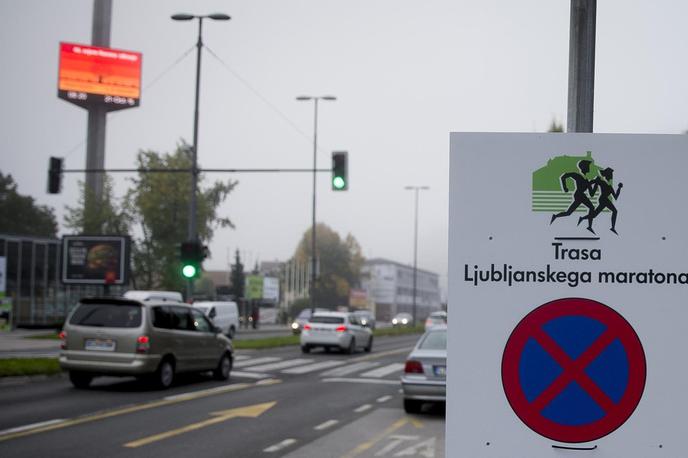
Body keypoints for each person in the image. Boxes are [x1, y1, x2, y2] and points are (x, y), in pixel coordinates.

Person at [578, 167, 623, 234]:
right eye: (610, 174)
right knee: (614, 211)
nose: (611, 176)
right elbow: (592, 182)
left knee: (594, 215)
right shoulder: (602, 182)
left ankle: (582, 218)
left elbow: (615, 197)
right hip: (603, 199)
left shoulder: (610, 187)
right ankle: (612, 228)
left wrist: (619, 188)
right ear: (607, 174)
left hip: (605, 200)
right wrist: (588, 184)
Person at [550, 159, 594, 225]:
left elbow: (591, 194)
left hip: (581, 195)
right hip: (579, 195)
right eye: (587, 166)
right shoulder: (577, 175)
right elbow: (563, 177)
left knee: (569, 213)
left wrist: (594, 183)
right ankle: (588, 225)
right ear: (583, 167)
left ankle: (555, 216)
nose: (589, 168)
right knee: (591, 208)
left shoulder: (587, 180)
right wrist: (565, 188)